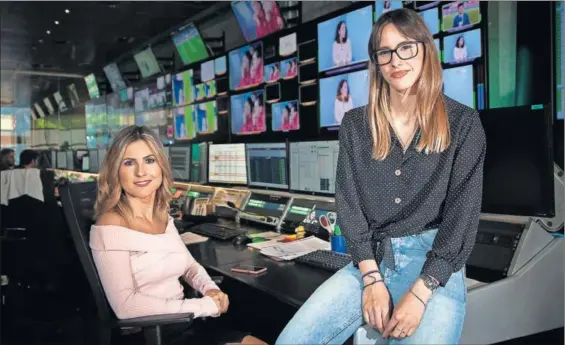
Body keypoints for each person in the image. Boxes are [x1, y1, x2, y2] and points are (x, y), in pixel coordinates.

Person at [276, 8, 485, 345]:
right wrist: (371, 277)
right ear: (376, 62)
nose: (396, 61)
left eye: (406, 47)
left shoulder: (463, 124)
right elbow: (349, 203)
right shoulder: (356, 125)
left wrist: (422, 291)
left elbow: (461, 219)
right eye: (385, 52)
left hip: (432, 266)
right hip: (372, 257)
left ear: (425, 50)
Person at [90, 126, 267, 345]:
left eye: (149, 160)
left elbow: (189, 267)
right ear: (116, 171)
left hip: (185, 324)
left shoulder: (161, 214)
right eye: (129, 163)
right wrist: (204, 307)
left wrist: (210, 289)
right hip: (149, 336)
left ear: (161, 166)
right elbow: (125, 306)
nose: (141, 172)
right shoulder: (110, 224)